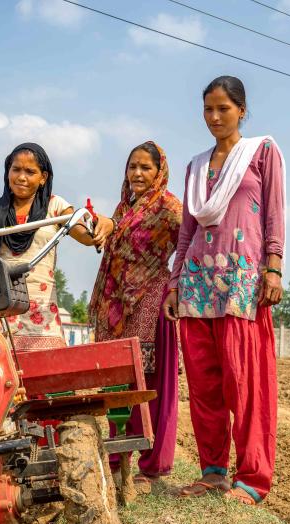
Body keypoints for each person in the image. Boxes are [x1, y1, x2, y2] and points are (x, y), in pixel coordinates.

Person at [164, 75, 286, 505]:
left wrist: (274, 267)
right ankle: (212, 472)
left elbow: (273, 213)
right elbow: (186, 232)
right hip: (197, 282)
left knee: (245, 383)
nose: (215, 117)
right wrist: (175, 282)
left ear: (242, 110)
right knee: (205, 385)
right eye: (208, 109)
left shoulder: (262, 152)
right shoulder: (196, 166)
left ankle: (253, 477)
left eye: (224, 109)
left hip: (242, 282)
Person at [0, 142, 114, 351]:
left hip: (41, 313)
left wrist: (103, 226)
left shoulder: (56, 206)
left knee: (48, 372)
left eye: (30, 171)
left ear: (43, 178)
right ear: (7, 172)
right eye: (16, 169)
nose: (21, 177)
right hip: (0, 307)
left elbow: (84, 235)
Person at [89, 141, 182, 482]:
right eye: (132, 167)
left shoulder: (170, 208)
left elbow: (190, 240)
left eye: (145, 167)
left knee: (146, 380)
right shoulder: (124, 206)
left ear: (160, 172)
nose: (137, 174)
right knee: (117, 379)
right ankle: (116, 456)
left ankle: (151, 463)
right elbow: (110, 234)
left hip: (149, 297)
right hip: (114, 303)